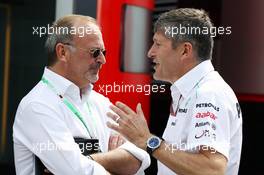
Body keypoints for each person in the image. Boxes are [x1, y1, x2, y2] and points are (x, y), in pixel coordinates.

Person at [107, 8, 242, 175]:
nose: (150, 53)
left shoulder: (207, 93)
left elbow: (212, 169)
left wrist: (148, 141)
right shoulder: (193, 91)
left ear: (185, 50)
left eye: (158, 44)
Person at [13, 14, 150, 175]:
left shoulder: (101, 102)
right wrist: (116, 161)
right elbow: (77, 172)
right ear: (63, 52)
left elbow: (141, 159)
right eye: (95, 52)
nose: (103, 60)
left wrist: (88, 160)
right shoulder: (37, 106)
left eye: (103, 52)